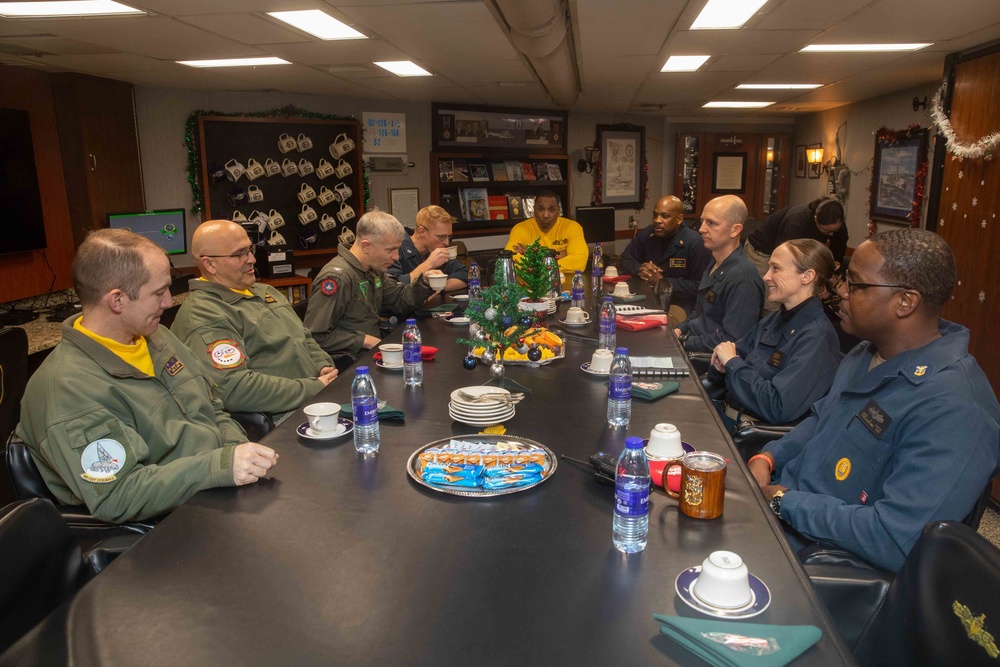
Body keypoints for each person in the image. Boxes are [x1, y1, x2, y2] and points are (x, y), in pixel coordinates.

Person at [749, 230, 1000, 571]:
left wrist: (785, 502)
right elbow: (822, 419)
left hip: (816, 562)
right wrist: (769, 456)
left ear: (905, 302)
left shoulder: (957, 408)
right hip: (780, 516)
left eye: (855, 284)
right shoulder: (864, 353)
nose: (840, 291)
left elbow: (896, 538)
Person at [15, 229, 279, 524]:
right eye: (158, 292)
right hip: (169, 525)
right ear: (117, 301)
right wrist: (219, 466)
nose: (168, 302)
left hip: (220, 492)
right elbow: (119, 496)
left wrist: (236, 452)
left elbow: (213, 408)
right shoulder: (66, 389)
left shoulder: (158, 339)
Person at [171, 219, 337, 420]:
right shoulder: (204, 314)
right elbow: (235, 388)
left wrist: (322, 365)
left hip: (316, 396)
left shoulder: (265, 290)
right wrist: (312, 387)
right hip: (281, 417)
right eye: (239, 253)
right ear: (209, 264)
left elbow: (304, 336)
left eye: (250, 250)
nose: (252, 259)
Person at [709, 239, 842, 431]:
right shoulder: (775, 319)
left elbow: (776, 406)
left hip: (748, 435)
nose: (766, 276)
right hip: (723, 414)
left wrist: (732, 364)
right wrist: (722, 367)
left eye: (776, 269)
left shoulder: (817, 338)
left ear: (807, 276)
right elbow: (728, 362)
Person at [304, 210, 435, 358]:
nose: (397, 257)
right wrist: (363, 340)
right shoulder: (338, 278)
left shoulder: (372, 270)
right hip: (351, 363)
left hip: (373, 353)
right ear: (366, 246)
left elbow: (399, 301)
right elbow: (314, 337)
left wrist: (424, 283)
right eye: (390, 250)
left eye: (397, 249)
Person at [674, 195, 764, 352]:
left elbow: (733, 341)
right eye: (702, 221)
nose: (701, 229)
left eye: (711, 223)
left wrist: (684, 342)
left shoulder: (743, 278)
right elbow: (699, 314)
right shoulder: (715, 263)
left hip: (709, 361)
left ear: (735, 230)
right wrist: (679, 329)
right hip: (694, 345)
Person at [619, 195, 712, 314]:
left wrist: (663, 282)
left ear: (679, 219)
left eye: (665, 216)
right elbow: (626, 259)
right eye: (655, 215)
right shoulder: (648, 234)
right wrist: (641, 270)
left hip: (680, 303)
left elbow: (701, 286)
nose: (657, 220)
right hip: (648, 297)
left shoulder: (695, 242)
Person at [745, 197, 848, 276]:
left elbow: (839, 246)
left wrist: (832, 270)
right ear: (816, 219)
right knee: (772, 294)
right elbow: (784, 257)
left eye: (835, 230)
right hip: (762, 249)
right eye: (826, 231)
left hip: (793, 252)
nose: (831, 234)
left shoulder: (836, 222)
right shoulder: (795, 223)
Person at [504, 190, 587, 275]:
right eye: (540, 209)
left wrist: (531, 255)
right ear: (534, 209)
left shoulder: (572, 227)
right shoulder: (520, 229)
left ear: (558, 210)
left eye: (552, 210)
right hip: (530, 286)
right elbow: (510, 260)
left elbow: (579, 263)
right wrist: (557, 257)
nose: (546, 215)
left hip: (564, 285)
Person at [387, 205, 468, 290]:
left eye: (449, 237)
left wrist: (438, 287)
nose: (447, 242)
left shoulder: (435, 249)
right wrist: (429, 263)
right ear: (422, 231)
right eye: (441, 237)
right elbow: (392, 287)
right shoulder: (397, 249)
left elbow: (465, 274)